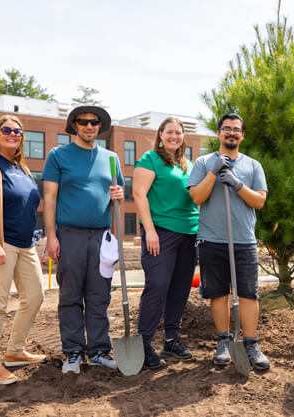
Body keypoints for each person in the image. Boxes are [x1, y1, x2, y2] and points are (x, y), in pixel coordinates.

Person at [42, 106, 124, 374]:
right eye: (83, 122)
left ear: (100, 126)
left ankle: (99, 351)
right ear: (74, 125)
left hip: (102, 238)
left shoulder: (111, 159)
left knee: (99, 296)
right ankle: (73, 352)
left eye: (94, 122)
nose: (89, 126)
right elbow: (50, 200)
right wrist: (51, 236)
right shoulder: (58, 156)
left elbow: (117, 199)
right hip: (70, 236)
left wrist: (119, 195)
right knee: (70, 297)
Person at [187, 113, 270, 370]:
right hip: (212, 240)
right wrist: (214, 172)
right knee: (219, 294)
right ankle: (223, 340)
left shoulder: (253, 166)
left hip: (243, 240)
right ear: (218, 133)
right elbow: (197, 198)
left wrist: (236, 184)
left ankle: (251, 343)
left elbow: (259, 201)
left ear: (242, 135)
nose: (231, 133)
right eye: (226, 129)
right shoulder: (202, 163)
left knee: (248, 294)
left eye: (236, 129)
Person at [0, 115, 45, 384]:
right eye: (7, 130)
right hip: (0, 244)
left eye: (18, 131)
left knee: (35, 296)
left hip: (26, 244)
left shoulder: (22, 169)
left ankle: (14, 351)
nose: (13, 134)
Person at [133, 116, 199, 369]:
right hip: (161, 232)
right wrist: (149, 230)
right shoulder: (150, 160)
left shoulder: (189, 165)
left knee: (181, 288)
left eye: (178, 132)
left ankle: (171, 339)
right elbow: (138, 194)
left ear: (183, 136)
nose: (174, 136)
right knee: (158, 285)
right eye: (169, 132)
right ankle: (144, 344)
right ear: (160, 134)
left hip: (190, 233)